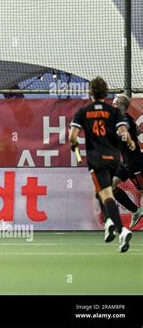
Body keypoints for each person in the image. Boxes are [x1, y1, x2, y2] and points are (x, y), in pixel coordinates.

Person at [69, 77, 136, 252]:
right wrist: (129, 141)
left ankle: (120, 230)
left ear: (90, 93)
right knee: (103, 192)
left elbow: (72, 137)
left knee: (106, 194)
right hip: (114, 158)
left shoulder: (83, 112)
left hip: (97, 159)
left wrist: (74, 146)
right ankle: (109, 224)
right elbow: (124, 132)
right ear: (105, 93)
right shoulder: (113, 112)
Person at [110, 94, 142, 228]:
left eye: (115, 104)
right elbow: (138, 131)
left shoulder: (124, 119)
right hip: (126, 163)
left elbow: (125, 129)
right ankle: (136, 210)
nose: (112, 106)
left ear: (121, 106)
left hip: (135, 163)